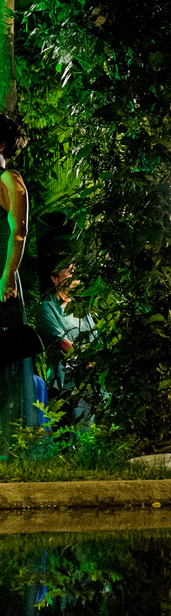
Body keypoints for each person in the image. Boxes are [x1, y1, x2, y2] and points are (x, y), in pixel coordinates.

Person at [0, 115, 37, 452]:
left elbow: (19, 230)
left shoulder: (9, 179)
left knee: (6, 355)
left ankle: (11, 440)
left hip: (2, 278)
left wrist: (9, 273)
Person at [36, 263, 99, 425]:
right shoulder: (47, 307)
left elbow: (96, 340)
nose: (74, 278)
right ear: (54, 278)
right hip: (64, 383)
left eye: (76, 273)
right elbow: (62, 343)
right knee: (69, 431)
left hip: (89, 381)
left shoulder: (82, 309)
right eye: (69, 272)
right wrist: (87, 363)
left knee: (87, 430)